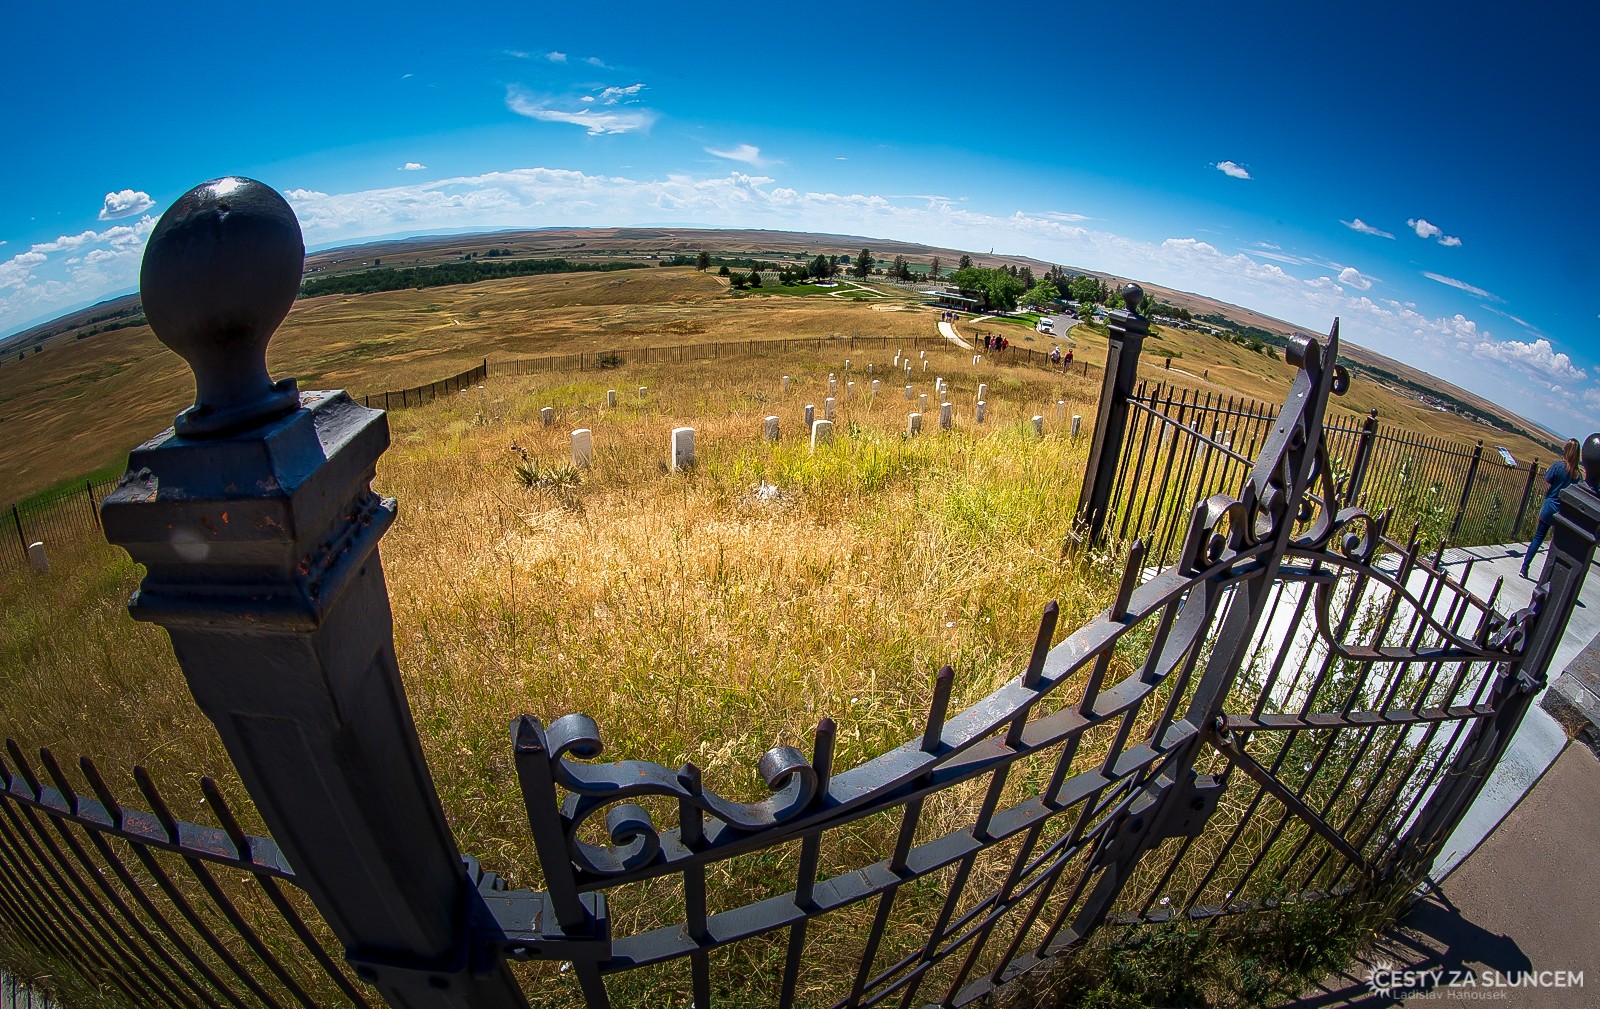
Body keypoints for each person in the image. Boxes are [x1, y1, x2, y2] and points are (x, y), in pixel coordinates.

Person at [1522, 438, 1583, 578]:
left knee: (1538, 538)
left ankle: (1525, 567)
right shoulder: (1577, 475)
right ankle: (1548, 575)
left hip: (1550, 506)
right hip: (1563, 512)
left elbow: (1548, 478)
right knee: (1555, 545)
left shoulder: (1558, 466)